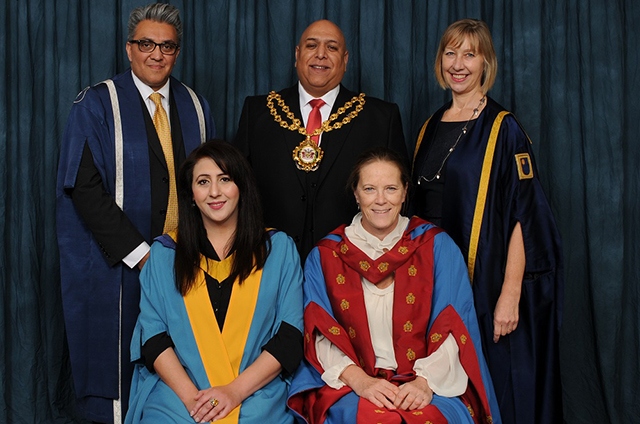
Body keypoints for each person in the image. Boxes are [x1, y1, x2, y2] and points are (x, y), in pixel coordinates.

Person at [56, 3, 215, 422]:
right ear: (129, 49)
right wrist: (142, 254)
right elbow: (84, 190)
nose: (156, 54)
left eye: (167, 46)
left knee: (184, 365)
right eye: (146, 44)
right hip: (119, 266)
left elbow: (213, 184)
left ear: (177, 52)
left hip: (184, 261)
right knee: (119, 365)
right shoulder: (96, 104)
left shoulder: (195, 106)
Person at [411, 19, 564, 423]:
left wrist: (510, 294)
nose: (458, 64)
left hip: (487, 279)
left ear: (485, 64)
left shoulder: (503, 127)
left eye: (469, 54)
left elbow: (524, 217)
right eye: (450, 53)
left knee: (493, 384)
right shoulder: (430, 126)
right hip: (436, 279)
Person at [288, 147, 500, 423]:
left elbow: (454, 325)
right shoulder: (326, 256)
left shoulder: (437, 246)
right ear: (356, 194)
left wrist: (425, 382)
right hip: (355, 383)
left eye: (390, 188)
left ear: (404, 192)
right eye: (369, 189)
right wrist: (361, 382)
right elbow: (319, 331)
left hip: (430, 382)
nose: (380, 200)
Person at [125, 140, 304, 423]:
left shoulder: (277, 250)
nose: (215, 192)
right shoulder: (164, 254)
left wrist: (234, 392)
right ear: (191, 194)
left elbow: (290, 336)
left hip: (255, 395)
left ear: (241, 187)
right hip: (180, 397)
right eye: (203, 182)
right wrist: (194, 402)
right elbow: (153, 338)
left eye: (225, 179)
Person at [234, 19, 408, 262]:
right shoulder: (258, 112)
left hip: (354, 265)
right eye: (311, 45)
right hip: (268, 261)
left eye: (332, 48)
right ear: (297, 54)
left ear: (345, 60)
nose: (321, 55)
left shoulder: (380, 117)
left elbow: (400, 199)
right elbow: (236, 190)